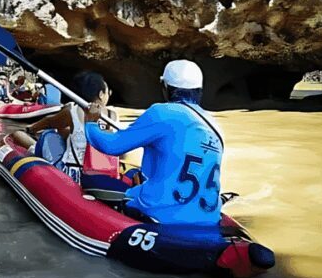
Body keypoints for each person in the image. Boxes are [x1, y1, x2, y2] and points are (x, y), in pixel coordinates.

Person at [85, 60, 224, 226]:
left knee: (89, 180)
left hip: (161, 214)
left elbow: (111, 146)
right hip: (209, 219)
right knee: (133, 173)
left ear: (165, 88)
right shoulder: (215, 125)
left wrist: (91, 124)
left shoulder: (161, 113)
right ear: (200, 91)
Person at [6, 72, 117, 183]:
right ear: (101, 94)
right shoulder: (112, 116)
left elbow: (49, 122)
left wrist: (31, 129)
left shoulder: (72, 110)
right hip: (104, 174)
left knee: (49, 135)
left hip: (74, 175)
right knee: (66, 135)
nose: (109, 94)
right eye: (108, 92)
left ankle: (33, 149)